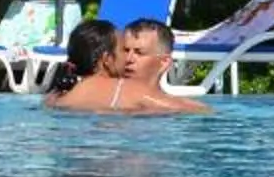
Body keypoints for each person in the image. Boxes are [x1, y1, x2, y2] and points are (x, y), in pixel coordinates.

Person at [47, 17, 210, 117]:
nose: (129, 58)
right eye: (124, 50)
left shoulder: (58, 95)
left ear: (164, 62)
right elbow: (203, 113)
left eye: (139, 52)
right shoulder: (127, 91)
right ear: (107, 59)